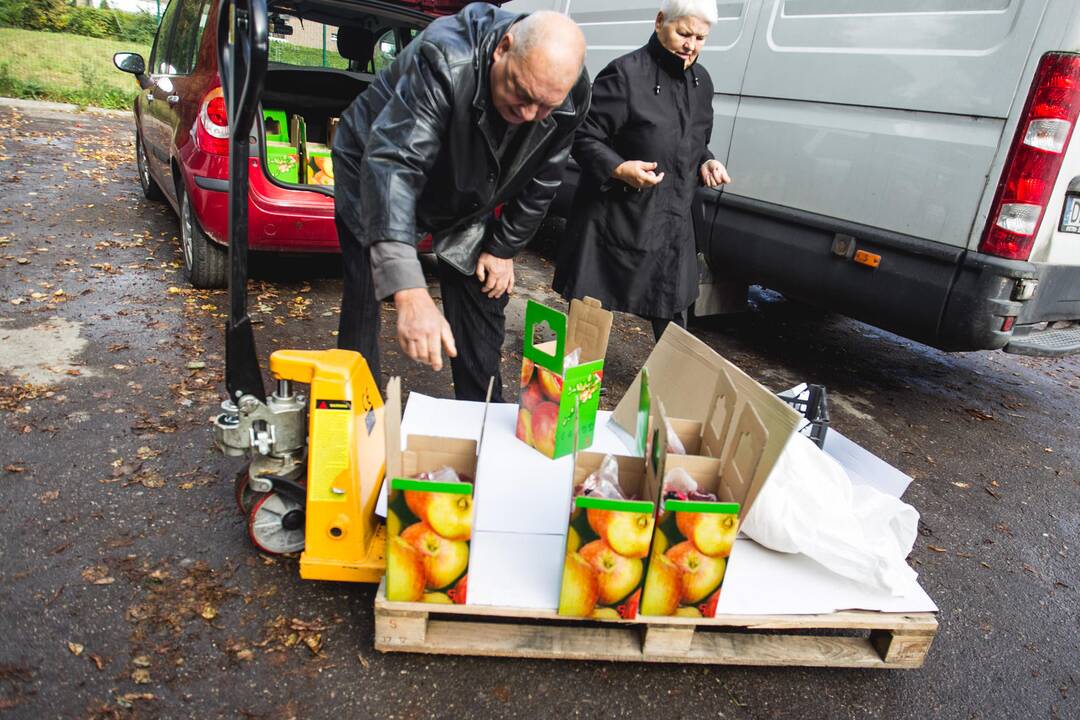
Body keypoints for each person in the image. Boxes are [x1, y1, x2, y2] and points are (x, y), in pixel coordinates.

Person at [333, 4, 589, 401]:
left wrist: (502, 248)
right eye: (520, 94)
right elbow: (396, 167)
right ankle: (353, 416)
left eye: (545, 107)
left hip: (468, 182)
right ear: (502, 49)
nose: (527, 114)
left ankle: (481, 418)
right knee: (369, 286)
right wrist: (410, 291)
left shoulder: (569, 90)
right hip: (376, 164)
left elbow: (543, 176)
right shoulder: (446, 56)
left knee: (483, 293)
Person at [553, 0, 731, 341]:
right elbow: (581, 134)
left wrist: (707, 161)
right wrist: (619, 167)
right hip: (613, 221)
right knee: (588, 324)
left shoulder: (701, 82)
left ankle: (674, 390)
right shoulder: (625, 74)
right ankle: (576, 390)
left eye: (700, 38)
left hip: (671, 222)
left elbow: (693, 142)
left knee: (675, 325)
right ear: (660, 21)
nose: (691, 45)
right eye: (683, 33)